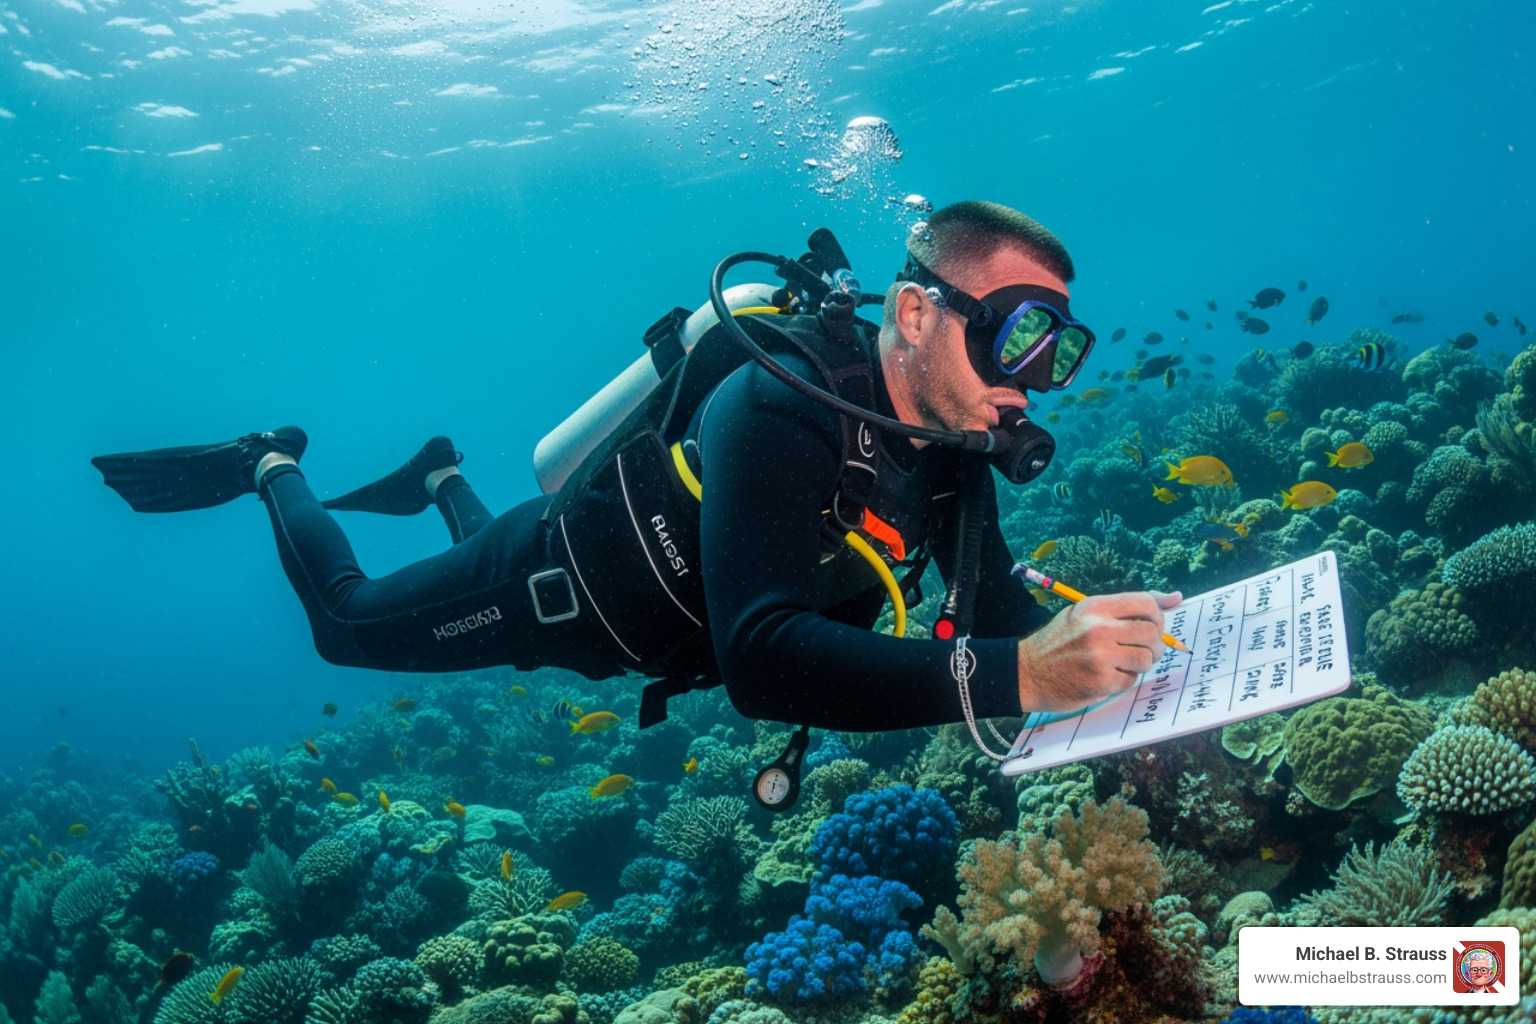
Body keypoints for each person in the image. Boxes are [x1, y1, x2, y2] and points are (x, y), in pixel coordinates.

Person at [93, 200, 1179, 736]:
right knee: (347, 621)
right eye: (1016, 337)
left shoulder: (955, 452)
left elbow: (987, 608)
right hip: (555, 589)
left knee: (465, 531)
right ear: (912, 310)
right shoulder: (777, 399)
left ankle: (435, 474)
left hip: (635, 621)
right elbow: (761, 659)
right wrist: (1027, 674)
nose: (1030, 384)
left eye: (1059, 354)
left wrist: (1127, 651)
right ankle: (271, 462)